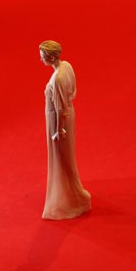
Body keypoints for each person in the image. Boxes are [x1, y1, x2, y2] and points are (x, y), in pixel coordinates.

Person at [39, 40, 91, 220]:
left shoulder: (58, 78)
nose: (41, 60)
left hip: (58, 122)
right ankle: (72, 194)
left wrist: (58, 130)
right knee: (65, 158)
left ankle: (69, 200)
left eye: (43, 56)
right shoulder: (67, 66)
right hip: (64, 117)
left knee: (61, 159)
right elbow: (73, 92)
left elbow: (61, 109)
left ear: (51, 56)